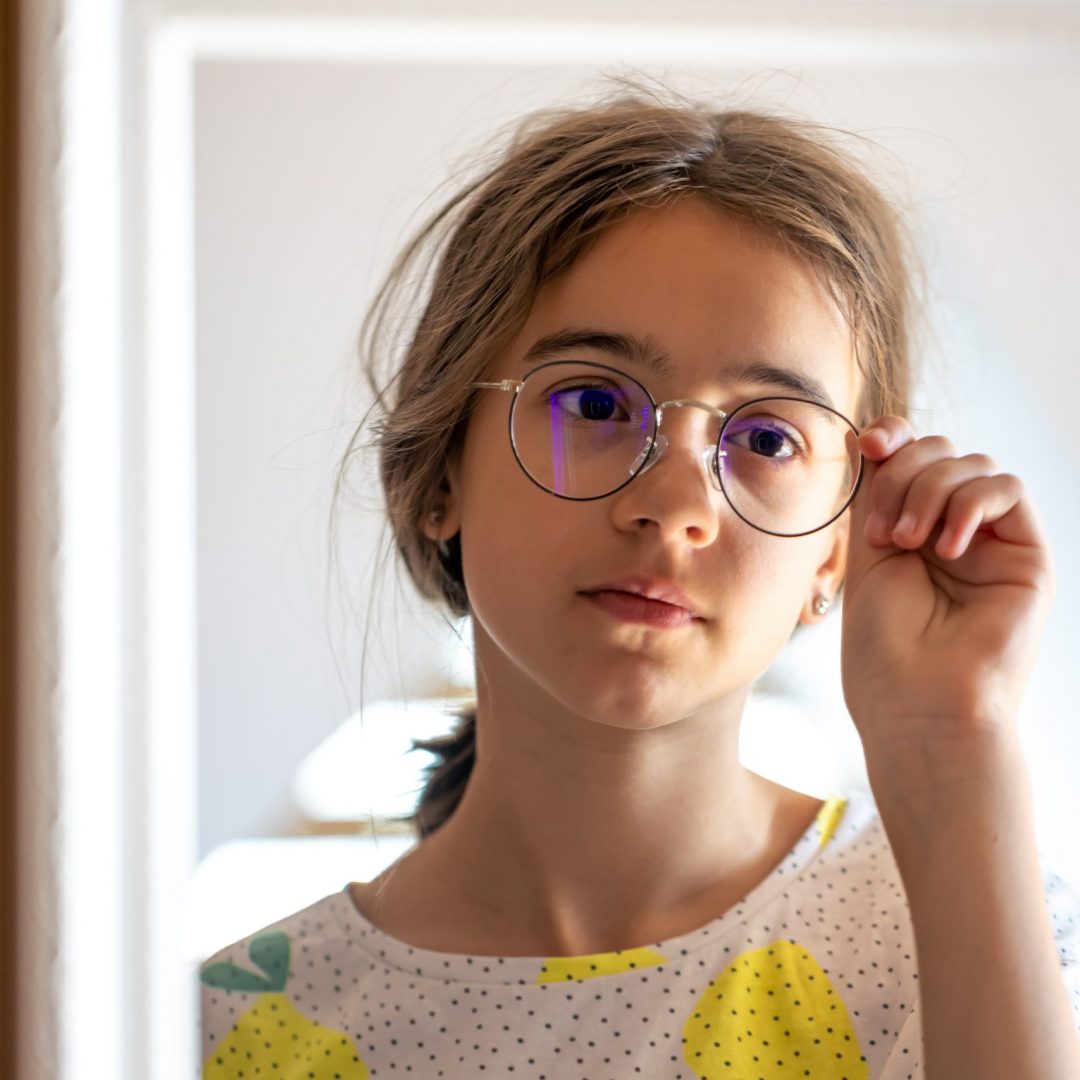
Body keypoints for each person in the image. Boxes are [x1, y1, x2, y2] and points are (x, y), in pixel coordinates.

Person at [199, 87, 1080, 1079]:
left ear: (836, 546)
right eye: (592, 403)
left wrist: (953, 744)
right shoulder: (221, 1033)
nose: (674, 506)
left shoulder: (980, 947)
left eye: (766, 439)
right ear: (441, 470)